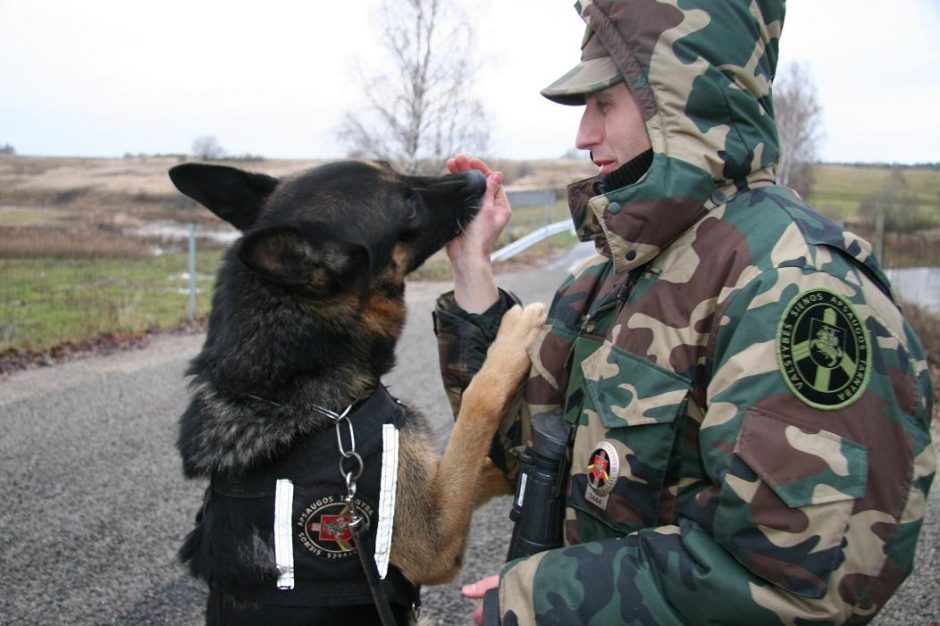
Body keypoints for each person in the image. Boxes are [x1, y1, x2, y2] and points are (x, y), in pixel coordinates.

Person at [433, 0, 936, 624]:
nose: (583, 136)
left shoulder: (796, 289)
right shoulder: (606, 278)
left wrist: (538, 600)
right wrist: (472, 265)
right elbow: (523, 447)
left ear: (680, 103)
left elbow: (798, 589)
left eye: (604, 104)